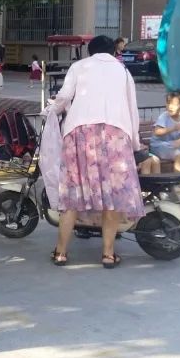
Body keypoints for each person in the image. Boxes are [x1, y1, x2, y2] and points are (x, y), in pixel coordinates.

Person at [47, 34, 144, 269]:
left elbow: (64, 96)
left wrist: (53, 110)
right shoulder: (123, 71)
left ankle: (60, 253)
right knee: (112, 197)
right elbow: (132, 108)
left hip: (79, 133)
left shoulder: (79, 66)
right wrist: (135, 143)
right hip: (115, 134)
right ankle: (108, 255)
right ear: (113, 51)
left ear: (90, 51)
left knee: (71, 195)